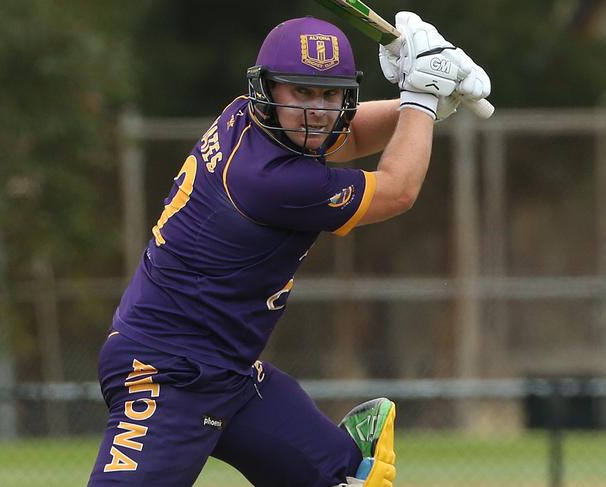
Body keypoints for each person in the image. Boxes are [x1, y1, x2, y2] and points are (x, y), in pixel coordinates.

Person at [87, 11, 490, 487]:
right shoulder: (271, 182)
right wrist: (421, 98)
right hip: (166, 372)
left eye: (330, 94)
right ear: (269, 89)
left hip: (229, 373)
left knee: (342, 474)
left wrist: (424, 103)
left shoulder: (246, 117)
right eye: (301, 92)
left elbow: (352, 134)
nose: (316, 110)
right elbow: (398, 189)